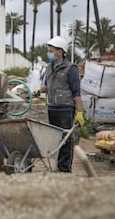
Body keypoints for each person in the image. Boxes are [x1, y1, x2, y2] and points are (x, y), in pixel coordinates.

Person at [33, 36, 85, 172]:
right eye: (49, 50)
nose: (49, 53)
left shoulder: (70, 68)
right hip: (52, 108)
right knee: (56, 140)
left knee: (66, 141)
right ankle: (58, 168)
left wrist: (79, 112)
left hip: (66, 109)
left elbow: (77, 93)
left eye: (52, 50)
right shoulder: (49, 68)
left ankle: (65, 170)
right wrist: (40, 89)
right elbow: (47, 86)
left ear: (61, 52)